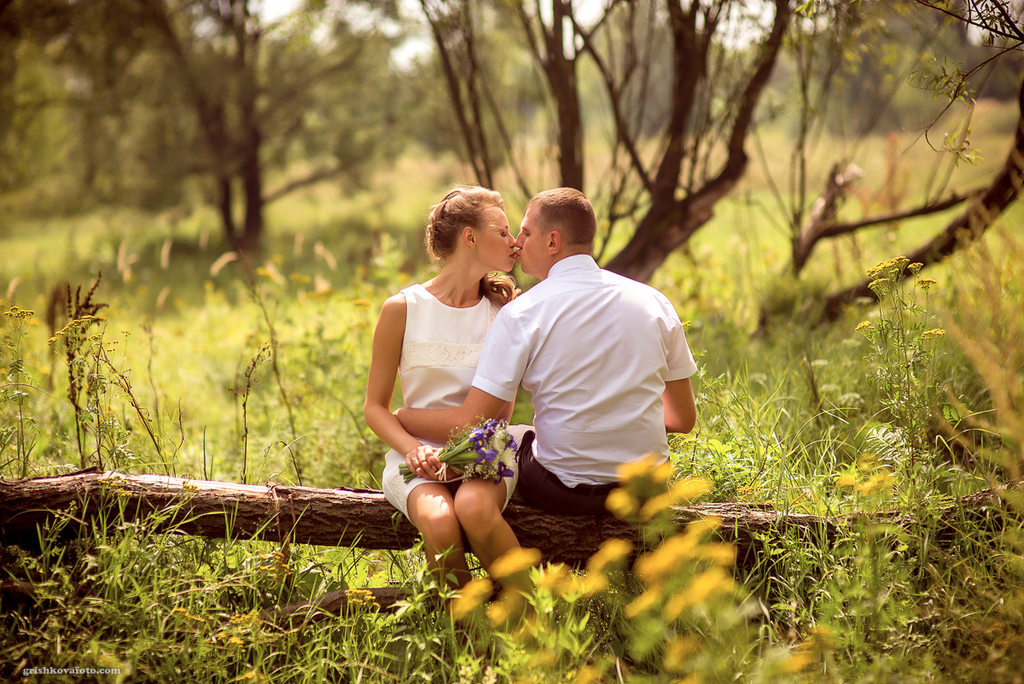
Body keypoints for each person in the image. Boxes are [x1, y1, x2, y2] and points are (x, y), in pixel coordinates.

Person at [396, 187, 698, 515]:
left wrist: (401, 417)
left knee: (514, 440)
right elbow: (682, 419)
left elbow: (474, 420)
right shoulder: (655, 302)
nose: (517, 242)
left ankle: (481, 521)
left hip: (561, 491)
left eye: (525, 232)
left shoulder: (523, 312)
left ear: (553, 242)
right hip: (646, 490)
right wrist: (623, 415)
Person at [364, 185, 527, 589]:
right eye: (503, 231)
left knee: (474, 509)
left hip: (487, 447)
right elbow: (375, 407)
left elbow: (500, 413)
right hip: (415, 457)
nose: (515, 242)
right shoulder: (402, 308)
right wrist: (412, 449)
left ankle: (531, 619)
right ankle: (465, 638)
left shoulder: (505, 311)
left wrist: (455, 452)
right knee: (438, 522)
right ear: (470, 238)